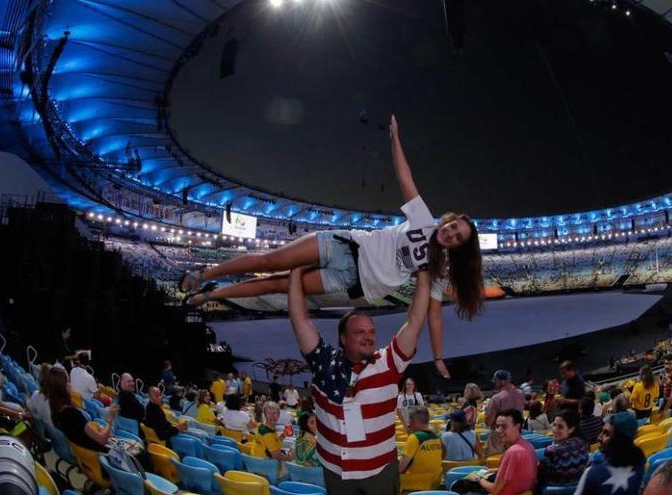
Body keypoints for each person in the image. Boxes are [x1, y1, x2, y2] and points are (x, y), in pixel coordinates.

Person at [182, 115, 484, 380]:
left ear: (458, 249)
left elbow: (433, 316)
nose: (451, 233)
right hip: (344, 245)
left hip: (352, 282)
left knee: (279, 285)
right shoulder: (423, 221)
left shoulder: (438, 270)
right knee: (270, 260)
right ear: (449, 221)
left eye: (457, 238)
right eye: (453, 226)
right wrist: (395, 138)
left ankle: (213, 294)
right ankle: (206, 273)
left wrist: (439, 357)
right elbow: (404, 176)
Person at [287, 264, 431, 494]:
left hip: (380, 472)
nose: (369, 337)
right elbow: (299, 320)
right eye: (360, 332)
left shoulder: (389, 362)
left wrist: (423, 273)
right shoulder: (324, 361)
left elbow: (415, 320)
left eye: (371, 331)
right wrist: (296, 272)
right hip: (336, 471)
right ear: (343, 338)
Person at [463, 410, 537, 495]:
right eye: (497, 426)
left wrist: (478, 479)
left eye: (504, 426)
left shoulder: (512, 452)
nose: (498, 430)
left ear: (517, 426)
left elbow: (495, 490)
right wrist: (498, 470)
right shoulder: (528, 446)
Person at [575, 411, 646, 495]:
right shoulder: (640, 464)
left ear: (621, 441)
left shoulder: (593, 472)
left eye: (606, 434)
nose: (599, 437)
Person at [48, 368, 117, 452]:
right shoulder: (72, 414)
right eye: (68, 382)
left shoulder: (55, 410)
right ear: (63, 388)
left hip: (85, 454)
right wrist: (110, 420)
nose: (71, 385)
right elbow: (101, 440)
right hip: (100, 454)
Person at [538, 409, 589, 487]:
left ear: (571, 429)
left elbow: (541, 476)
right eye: (554, 425)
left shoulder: (552, 451)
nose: (555, 430)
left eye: (560, 427)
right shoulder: (583, 443)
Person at [484, 370, 525, 456]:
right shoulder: (521, 394)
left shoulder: (496, 398)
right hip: (516, 432)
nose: (495, 383)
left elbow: (488, 422)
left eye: (496, 381)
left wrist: (487, 408)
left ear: (502, 381)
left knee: (496, 462)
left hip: (500, 435)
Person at [399, 408, 443, 482]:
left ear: (415, 421)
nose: (408, 424)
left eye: (410, 420)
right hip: (434, 482)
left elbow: (401, 468)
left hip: (416, 483)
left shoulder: (414, 438)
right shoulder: (437, 438)